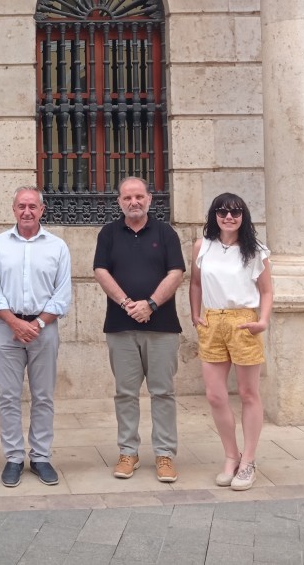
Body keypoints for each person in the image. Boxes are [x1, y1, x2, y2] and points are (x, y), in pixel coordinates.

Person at [92, 176, 186, 483]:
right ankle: (128, 453)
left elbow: (176, 272)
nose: (134, 202)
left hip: (162, 327)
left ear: (149, 199)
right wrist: (126, 303)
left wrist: (151, 304)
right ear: (119, 201)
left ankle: (164, 455)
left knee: (163, 392)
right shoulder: (108, 233)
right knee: (125, 394)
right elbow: (100, 271)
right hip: (121, 327)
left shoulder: (166, 232)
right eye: (127, 197)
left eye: (139, 196)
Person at [0, 186, 72, 487]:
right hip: (7, 330)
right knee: (8, 397)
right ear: (13, 209)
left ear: (42, 210)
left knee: (43, 396)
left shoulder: (57, 247)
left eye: (32, 206)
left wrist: (36, 324)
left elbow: (62, 295)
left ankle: (41, 457)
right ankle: (13, 458)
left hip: (43, 330)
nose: (27, 211)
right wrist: (15, 323)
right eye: (21, 206)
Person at [189, 192, 273, 492]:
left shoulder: (255, 251)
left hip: (242, 321)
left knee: (249, 393)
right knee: (215, 395)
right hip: (212, 321)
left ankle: (248, 460)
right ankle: (230, 456)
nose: (228, 217)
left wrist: (262, 321)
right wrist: (195, 314)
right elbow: (195, 283)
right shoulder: (203, 246)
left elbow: (266, 291)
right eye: (222, 212)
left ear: (243, 217)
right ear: (214, 215)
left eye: (235, 213)